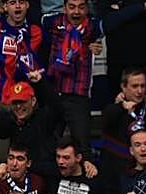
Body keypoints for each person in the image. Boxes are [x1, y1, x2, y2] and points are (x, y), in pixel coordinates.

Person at [39, 0, 103, 151]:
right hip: (54, 91)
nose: (76, 12)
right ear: (64, 8)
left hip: (78, 94)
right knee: (47, 144)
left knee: (82, 145)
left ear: (87, 9)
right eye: (72, 7)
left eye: (81, 7)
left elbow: (116, 20)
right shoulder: (51, 22)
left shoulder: (93, 27)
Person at [0, 0, 44, 104]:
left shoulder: (35, 32)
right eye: (13, 3)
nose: (18, 6)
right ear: (5, 6)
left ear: (27, 5)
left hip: (24, 99)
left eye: (21, 2)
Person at [100, 68, 146, 194]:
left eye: (143, 86)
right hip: (114, 178)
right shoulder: (113, 110)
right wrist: (121, 106)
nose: (140, 91)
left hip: (142, 177)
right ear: (123, 87)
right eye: (135, 86)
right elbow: (107, 119)